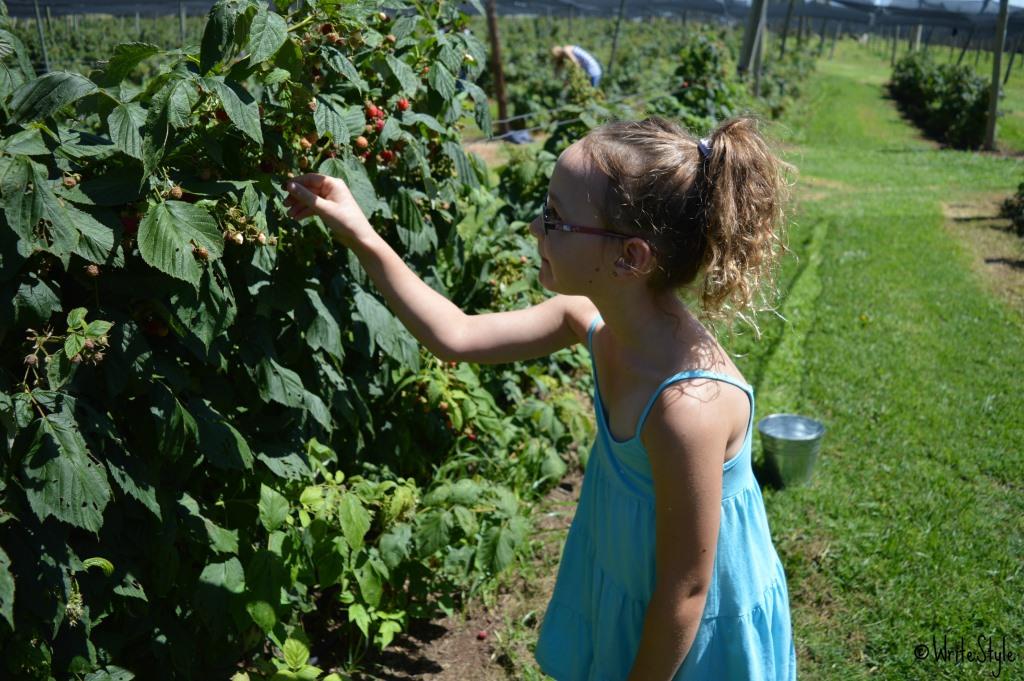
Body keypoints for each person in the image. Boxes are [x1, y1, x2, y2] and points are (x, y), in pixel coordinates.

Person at [283, 115, 797, 680]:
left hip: (693, 637)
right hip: (635, 585)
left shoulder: (687, 409)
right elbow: (455, 335)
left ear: (631, 257)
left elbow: (686, 593)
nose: (535, 226)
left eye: (556, 218)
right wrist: (359, 230)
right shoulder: (593, 324)